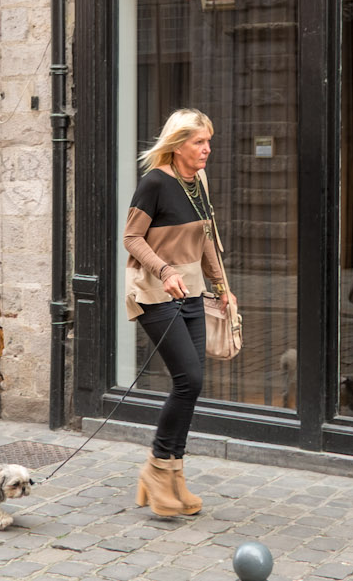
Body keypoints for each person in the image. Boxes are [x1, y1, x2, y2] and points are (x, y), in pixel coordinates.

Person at [122, 108, 236, 517]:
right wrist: (165, 270)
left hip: (193, 292)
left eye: (208, 141)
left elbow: (206, 236)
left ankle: (173, 472)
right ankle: (156, 469)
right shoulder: (154, 183)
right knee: (188, 377)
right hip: (154, 292)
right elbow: (131, 238)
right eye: (199, 142)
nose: (207, 149)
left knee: (192, 383)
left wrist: (221, 286)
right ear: (177, 145)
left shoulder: (198, 181)